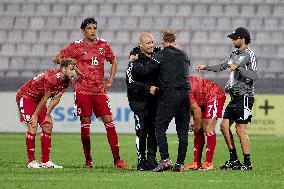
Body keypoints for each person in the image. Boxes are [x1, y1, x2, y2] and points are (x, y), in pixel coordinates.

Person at [53, 17, 128, 169]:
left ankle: (117, 160)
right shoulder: (76, 46)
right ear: (83, 31)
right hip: (83, 91)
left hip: (99, 90)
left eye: (94, 28)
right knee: (85, 125)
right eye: (89, 28)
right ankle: (88, 161)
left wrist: (110, 80)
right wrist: (73, 70)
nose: (93, 31)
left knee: (109, 123)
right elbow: (57, 58)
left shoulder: (103, 45)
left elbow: (113, 60)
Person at [196, 27, 258, 170]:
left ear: (242, 39)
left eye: (234, 38)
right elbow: (222, 66)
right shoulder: (234, 54)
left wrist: (239, 69)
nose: (232, 40)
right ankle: (234, 158)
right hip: (234, 97)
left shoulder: (250, 55)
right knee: (224, 127)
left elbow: (255, 76)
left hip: (245, 96)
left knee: (240, 128)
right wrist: (206, 67)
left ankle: (247, 163)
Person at [16, 58, 75, 168]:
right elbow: (45, 98)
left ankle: (45, 162)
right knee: (33, 125)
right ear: (63, 69)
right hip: (26, 96)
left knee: (47, 125)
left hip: (38, 100)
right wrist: (35, 115)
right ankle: (31, 162)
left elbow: (56, 98)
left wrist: (47, 114)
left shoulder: (68, 80)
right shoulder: (52, 78)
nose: (73, 72)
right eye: (71, 69)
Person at [145, 29, 191, 172]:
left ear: (163, 41)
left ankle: (165, 159)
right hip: (185, 94)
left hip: (169, 94)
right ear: (175, 39)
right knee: (182, 130)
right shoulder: (184, 54)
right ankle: (180, 164)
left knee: (159, 127)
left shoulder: (160, 55)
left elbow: (149, 71)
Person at [126, 32, 160, 171]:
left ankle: (151, 160)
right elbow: (131, 83)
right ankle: (141, 161)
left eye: (152, 42)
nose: (151, 45)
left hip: (154, 101)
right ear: (140, 45)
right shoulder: (134, 61)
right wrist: (147, 88)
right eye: (148, 43)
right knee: (141, 131)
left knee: (154, 131)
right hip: (139, 102)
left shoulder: (157, 55)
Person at [184, 76, 226, 171]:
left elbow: (196, 109)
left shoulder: (183, 89)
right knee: (198, 131)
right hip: (201, 99)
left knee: (208, 128)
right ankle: (196, 162)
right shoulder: (179, 87)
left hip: (214, 94)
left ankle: (208, 163)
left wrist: (196, 125)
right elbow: (189, 107)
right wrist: (192, 122)